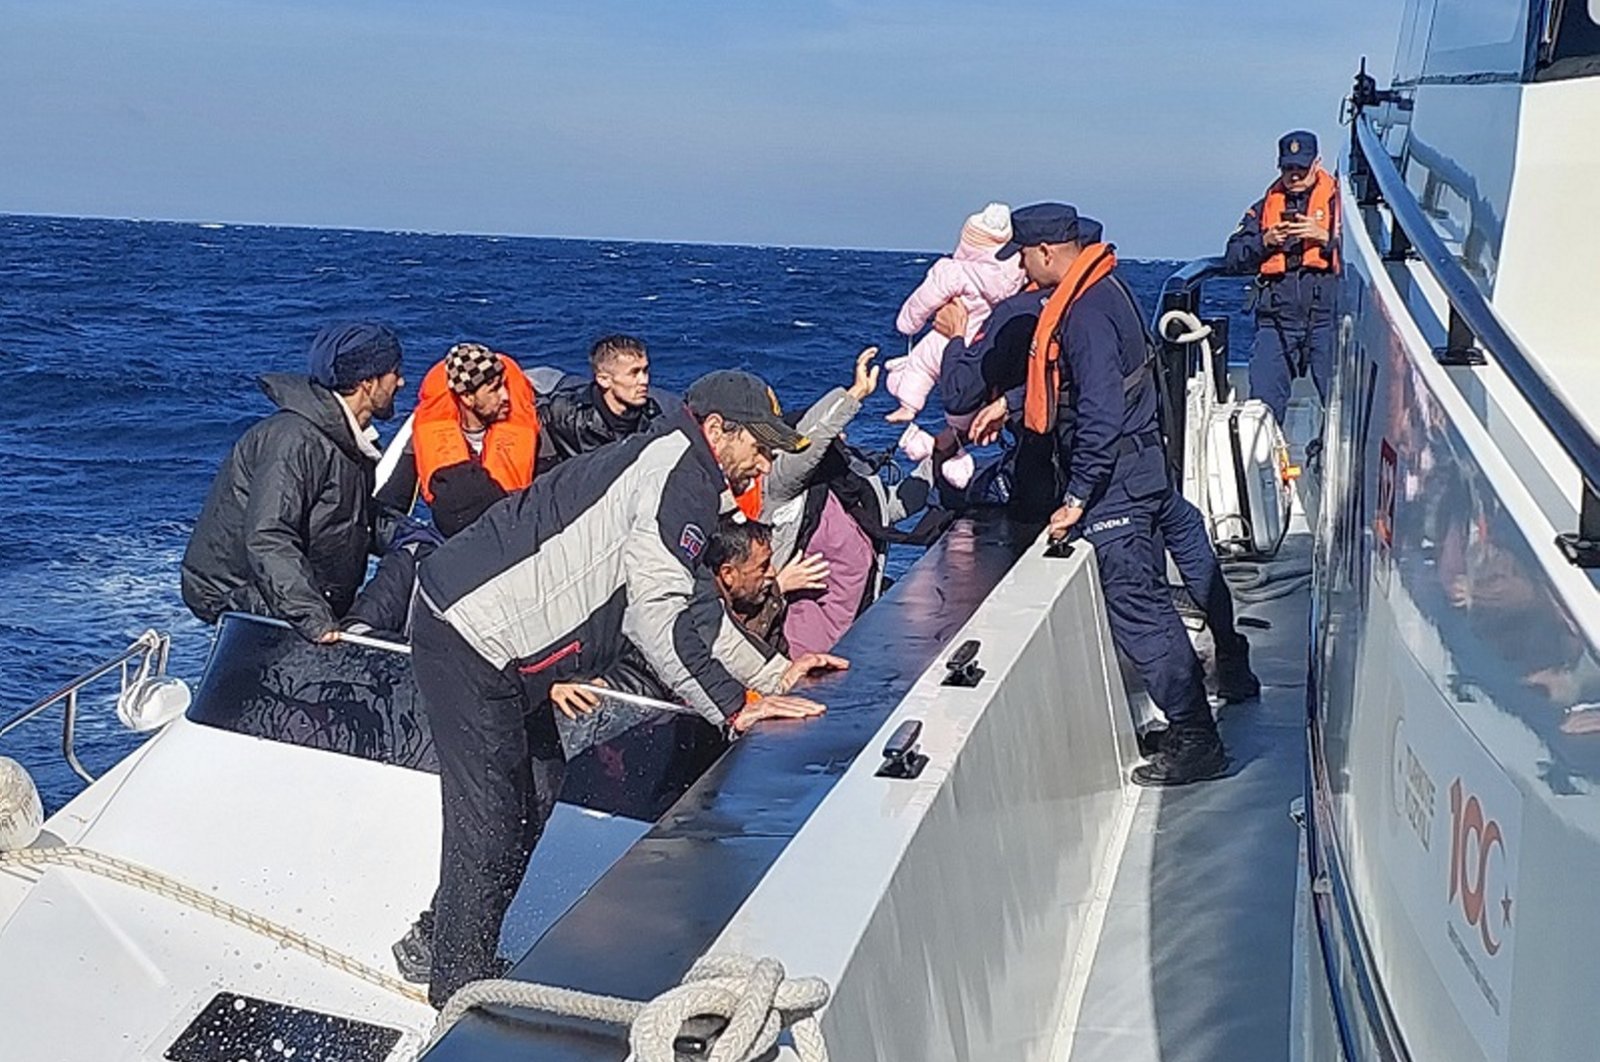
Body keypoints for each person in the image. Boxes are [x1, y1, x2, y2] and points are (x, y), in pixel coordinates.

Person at [411, 368, 848, 1005]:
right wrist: (734, 711)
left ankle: (450, 942)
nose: (765, 462)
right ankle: (455, 991)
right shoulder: (677, 475)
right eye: (759, 444)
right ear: (718, 430)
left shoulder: (689, 479)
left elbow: (697, 607)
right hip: (466, 632)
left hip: (507, 650)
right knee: (491, 821)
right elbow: (656, 620)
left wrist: (770, 675)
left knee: (536, 788)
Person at [1002, 202, 1229, 786]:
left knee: (1140, 608)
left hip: (1117, 487)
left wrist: (1076, 496)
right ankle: (1212, 692)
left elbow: (1099, 409)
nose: (1023, 268)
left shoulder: (1082, 317)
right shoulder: (1112, 290)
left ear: (1048, 252)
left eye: (1024, 256)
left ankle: (1197, 736)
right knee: (1164, 582)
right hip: (1148, 466)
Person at [180, 322, 405, 643]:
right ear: (367, 382)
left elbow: (348, 513)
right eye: (394, 373)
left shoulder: (345, 438)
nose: (401, 382)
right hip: (241, 595)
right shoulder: (295, 439)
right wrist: (313, 618)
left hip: (297, 590)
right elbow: (269, 535)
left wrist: (407, 534)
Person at [889, 202, 1026, 489]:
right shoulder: (1019, 275)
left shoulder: (952, 271)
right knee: (968, 406)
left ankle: (909, 407)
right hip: (986, 348)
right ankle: (955, 451)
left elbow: (920, 304)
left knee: (922, 363)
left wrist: (907, 325)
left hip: (952, 337)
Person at [1224, 130, 1339, 426]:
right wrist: (1266, 240)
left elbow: (1368, 256)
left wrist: (1325, 238)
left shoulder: (1340, 208)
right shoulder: (1263, 209)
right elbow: (1233, 257)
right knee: (1262, 408)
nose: (1295, 175)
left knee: (1340, 405)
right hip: (1275, 319)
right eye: (1289, 168)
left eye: (1301, 168)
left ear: (1317, 164)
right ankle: (1267, 468)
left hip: (1327, 319)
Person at [344, 461, 510, 638]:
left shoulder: (516, 556)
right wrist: (420, 651)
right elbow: (357, 627)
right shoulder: (411, 560)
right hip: (424, 660)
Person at [410, 342, 540, 504]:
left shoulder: (537, 436)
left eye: (504, 386)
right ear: (467, 398)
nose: (506, 396)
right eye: (494, 389)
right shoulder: (423, 439)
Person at [535, 334, 666, 472]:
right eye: (634, 373)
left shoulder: (652, 416)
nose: (644, 380)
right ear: (604, 380)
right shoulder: (566, 414)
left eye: (645, 371)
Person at [706, 515, 789, 654]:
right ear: (728, 574)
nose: (772, 573)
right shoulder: (706, 622)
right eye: (763, 566)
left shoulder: (765, 600)